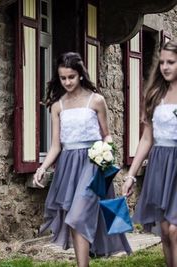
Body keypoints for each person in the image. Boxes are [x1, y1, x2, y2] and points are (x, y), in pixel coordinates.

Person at [33, 52, 131, 266]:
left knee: (77, 215)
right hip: (68, 165)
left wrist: (106, 150)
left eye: (71, 77)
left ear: (80, 75)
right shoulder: (58, 106)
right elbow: (56, 145)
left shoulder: (96, 100)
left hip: (93, 164)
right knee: (75, 220)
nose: (67, 82)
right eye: (63, 78)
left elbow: (107, 134)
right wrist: (42, 167)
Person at [122, 40, 177, 267]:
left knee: (174, 229)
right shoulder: (155, 94)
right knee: (164, 230)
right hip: (160, 164)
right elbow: (146, 138)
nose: (165, 67)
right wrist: (131, 175)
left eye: (171, 62)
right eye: (162, 62)